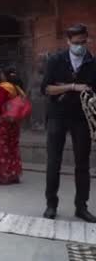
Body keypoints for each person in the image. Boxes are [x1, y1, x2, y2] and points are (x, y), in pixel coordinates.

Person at [41, 24, 96, 223]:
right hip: (57, 115)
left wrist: (64, 88)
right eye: (76, 43)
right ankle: (51, 205)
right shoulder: (56, 60)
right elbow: (46, 89)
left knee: (82, 164)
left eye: (83, 42)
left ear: (87, 40)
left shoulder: (92, 62)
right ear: (68, 42)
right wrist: (72, 86)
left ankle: (81, 207)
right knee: (53, 162)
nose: (80, 46)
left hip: (82, 118)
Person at [0, 66, 24, 185]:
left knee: (1, 148)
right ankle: (14, 174)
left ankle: (2, 176)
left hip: (3, 122)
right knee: (13, 147)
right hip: (14, 122)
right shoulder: (17, 88)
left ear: (4, 76)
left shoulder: (3, 88)